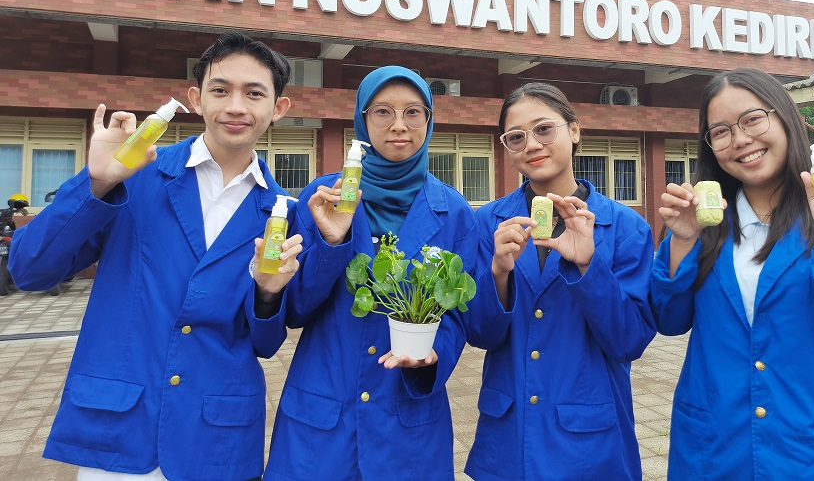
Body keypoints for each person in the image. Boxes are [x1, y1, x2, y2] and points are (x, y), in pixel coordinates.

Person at [10, 32, 304, 481]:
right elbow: (29, 270)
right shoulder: (136, 174)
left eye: (254, 93)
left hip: (217, 435)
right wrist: (97, 184)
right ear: (196, 98)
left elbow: (265, 344)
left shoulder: (282, 212)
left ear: (278, 108)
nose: (236, 106)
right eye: (220, 89)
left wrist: (268, 295)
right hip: (122, 427)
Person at [650, 67, 814, 480]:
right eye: (720, 131)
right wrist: (683, 242)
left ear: (786, 119)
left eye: (753, 119)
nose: (739, 139)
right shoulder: (701, 224)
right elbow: (668, 321)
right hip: (719, 452)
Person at [259, 65, 478, 481]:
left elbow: (458, 314)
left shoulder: (454, 212)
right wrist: (331, 244)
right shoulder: (324, 198)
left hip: (406, 422)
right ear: (362, 119)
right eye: (383, 112)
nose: (399, 125)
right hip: (322, 419)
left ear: (429, 121)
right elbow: (296, 310)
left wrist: (433, 358)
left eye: (414, 112)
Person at [464, 82, 656, 481]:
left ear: (575, 131)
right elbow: (480, 333)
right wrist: (499, 271)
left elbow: (628, 342)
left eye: (544, 129)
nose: (531, 144)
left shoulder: (625, 228)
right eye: (516, 137)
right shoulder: (489, 223)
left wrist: (588, 265)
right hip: (508, 437)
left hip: (589, 445)